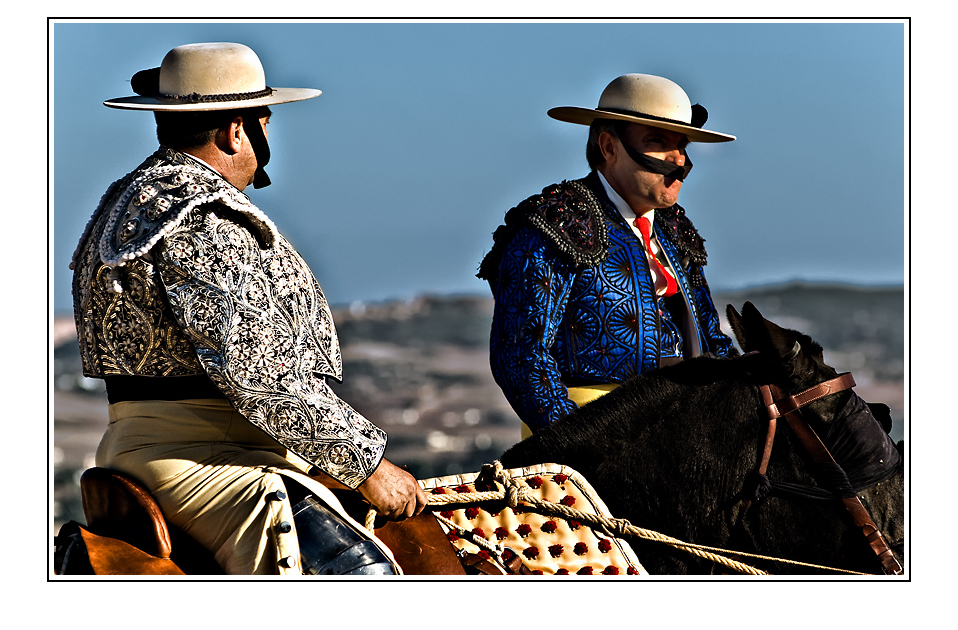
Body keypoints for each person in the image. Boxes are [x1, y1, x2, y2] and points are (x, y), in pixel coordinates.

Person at [70, 42, 428, 575]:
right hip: (205, 459)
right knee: (357, 573)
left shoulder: (127, 202)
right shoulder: (201, 219)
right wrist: (369, 464)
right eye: (265, 120)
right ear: (237, 130)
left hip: (142, 444)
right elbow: (259, 375)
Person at [478, 73, 738, 435]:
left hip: (685, 438)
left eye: (683, 145)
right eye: (659, 142)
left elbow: (711, 338)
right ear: (609, 147)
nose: (679, 160)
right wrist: (581, 442)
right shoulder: (555, 224)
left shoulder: (675, 230)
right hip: (593, 444)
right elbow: (522, 357)